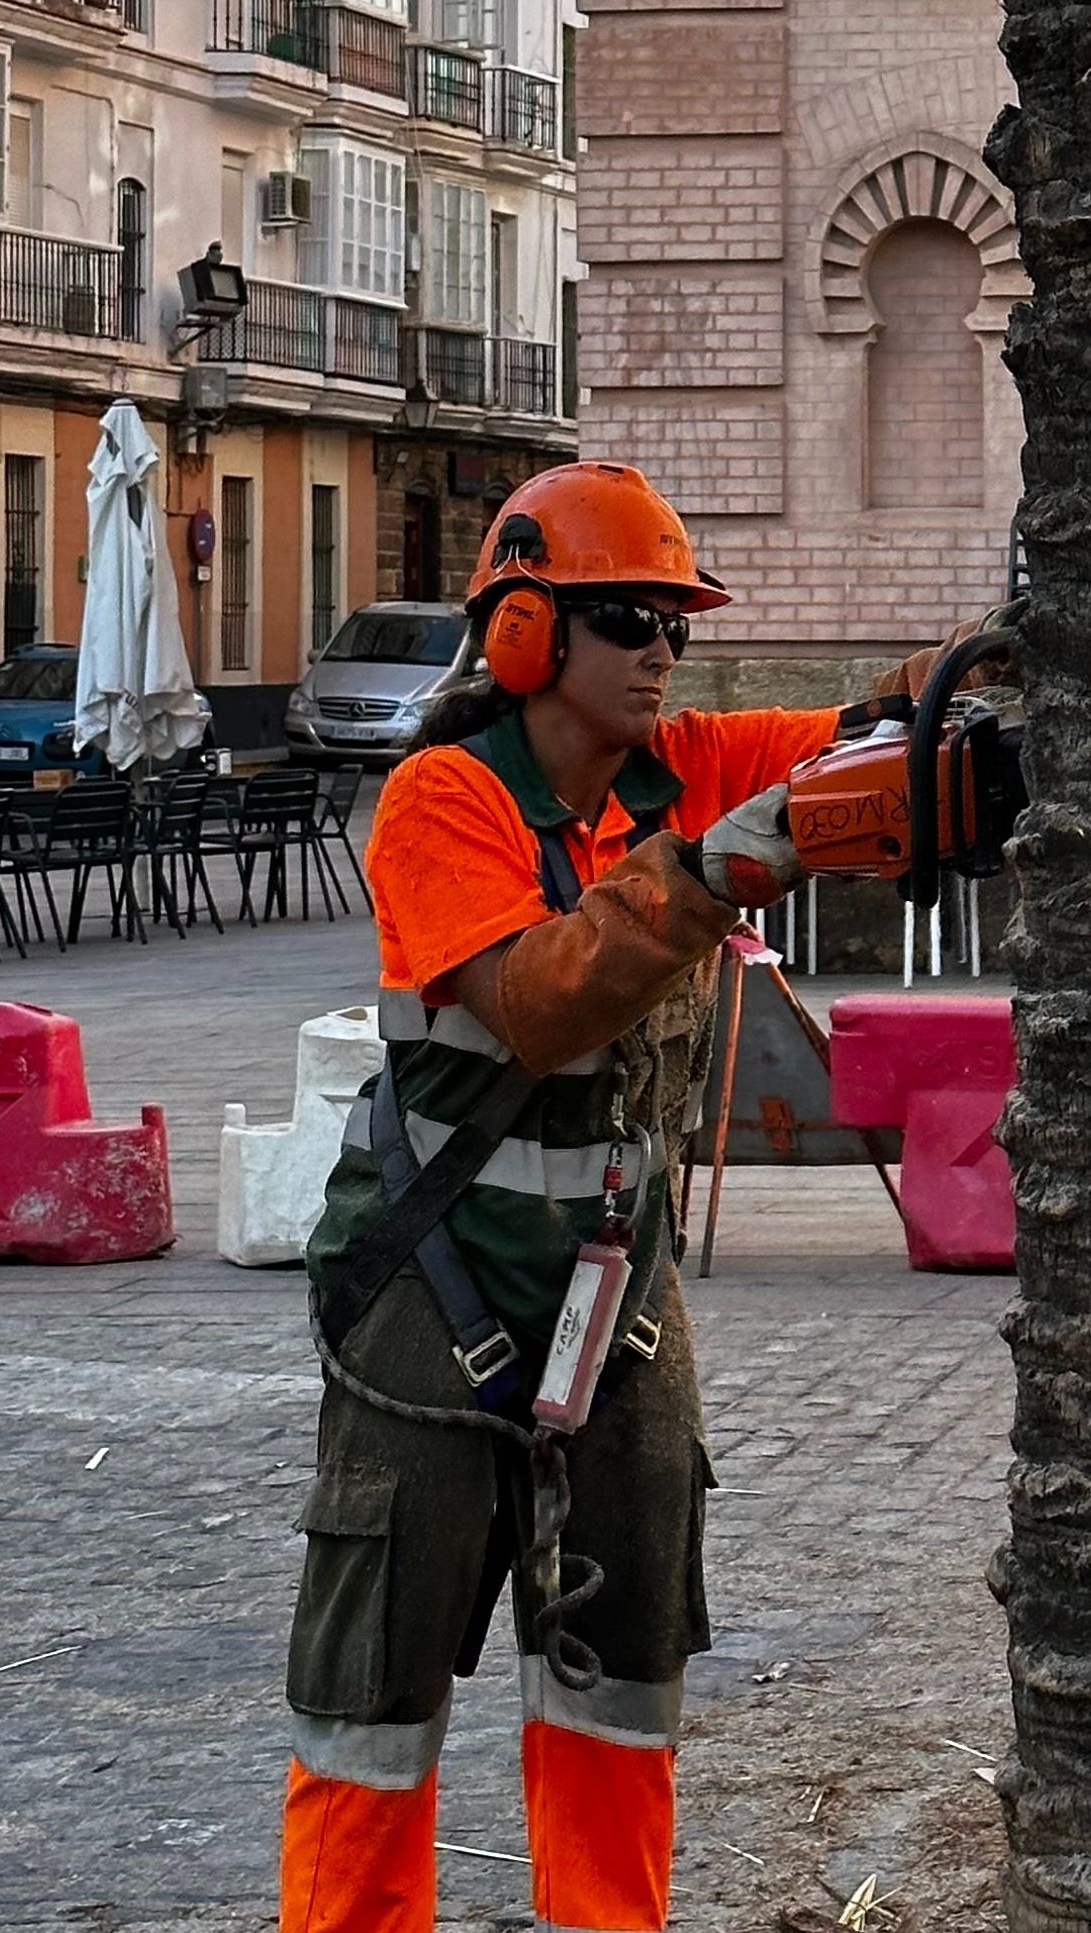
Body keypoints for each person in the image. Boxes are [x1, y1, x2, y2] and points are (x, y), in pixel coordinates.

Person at [278, 463, 956, 1933]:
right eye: (629, 616)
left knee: (619, 1677)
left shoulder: (683, 766)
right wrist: (722, 869)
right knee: (374, 1689)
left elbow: (855, 745)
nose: (661, 647)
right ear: (526, 634)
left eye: (676, 624)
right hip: (431, 1289)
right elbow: (537, 1002)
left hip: (613, 1301)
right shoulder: (438, 802)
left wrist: (965, 682)